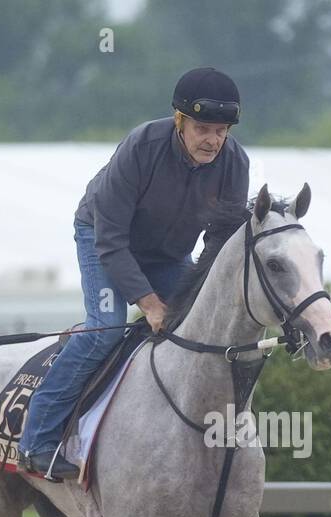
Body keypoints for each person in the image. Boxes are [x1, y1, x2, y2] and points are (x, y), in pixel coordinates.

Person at [17, 66, 251, 480]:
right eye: (203, 128)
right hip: (103, 236)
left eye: (221, 130)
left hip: (167, 253)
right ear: (179, 120)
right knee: (107, 328)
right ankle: (39, 442)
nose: (213, 141)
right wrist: (148, 303)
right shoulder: (142, 145)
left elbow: (219, 242)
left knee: (197, 328)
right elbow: (110, 238)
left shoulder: (235, 163)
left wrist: (193, 296)